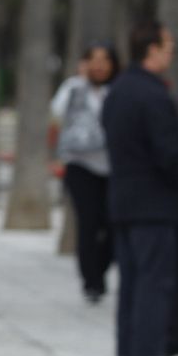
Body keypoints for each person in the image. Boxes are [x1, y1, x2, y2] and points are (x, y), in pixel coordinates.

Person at [100, 21, 178, 356]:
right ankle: (149, 349)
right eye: (168, 48)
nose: (171, 55)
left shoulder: (118, 90)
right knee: (155, 279)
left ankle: (129, 348)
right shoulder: (153, 95)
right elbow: (169, 153)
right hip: (155, 203)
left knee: (132, 279)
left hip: (123, 200)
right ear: (152, 49)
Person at [51, 43, 120, 303]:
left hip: (112, 167)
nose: (99, 65)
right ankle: (92, 282)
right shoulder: (73, 88)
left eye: (105, 59)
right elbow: (56, 114)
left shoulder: (117, 90)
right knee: (88, 223)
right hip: (80, 165)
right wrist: (79, 83)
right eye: (94, 59)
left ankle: (98, 270)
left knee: (112, 224)